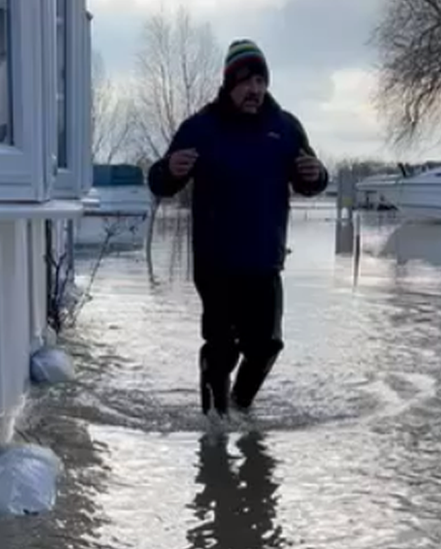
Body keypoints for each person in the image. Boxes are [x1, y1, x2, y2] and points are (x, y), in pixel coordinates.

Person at [148, 39, 329, 417]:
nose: (255, 90)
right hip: (216, 260)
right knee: (222, 348)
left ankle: (240, 406)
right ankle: (215, 428)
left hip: (264, 259)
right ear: (230, 83)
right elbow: (160, 183)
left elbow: (309, 180)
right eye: (247, 81)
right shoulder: (201, 128)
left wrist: (317, 175)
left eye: (261, 81)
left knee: (265, 345)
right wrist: (169, 170)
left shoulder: (285, 127)